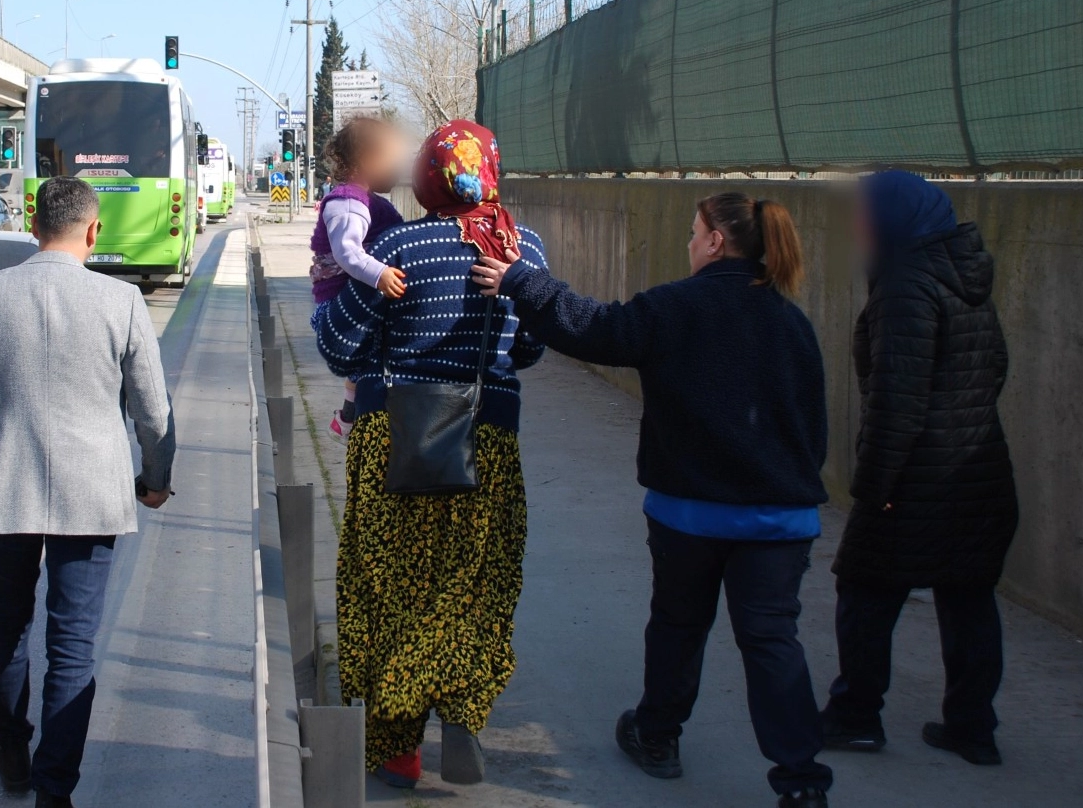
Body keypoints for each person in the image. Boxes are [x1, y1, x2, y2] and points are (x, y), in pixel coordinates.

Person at [474, 192, 833, 808]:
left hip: (690, 513)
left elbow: (596, 328)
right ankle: (801, 782)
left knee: (678, 623)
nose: (689, 243)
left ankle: (658, 735)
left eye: (695, 233)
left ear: (716, 240)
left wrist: (520, 282)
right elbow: (814, 429)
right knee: (773, 640)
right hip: (780, 519)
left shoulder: (678, 307)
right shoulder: (791, 322)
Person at [0, 177, 176, 808]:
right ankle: (56, 790)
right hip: (93, 497)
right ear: (92, 230)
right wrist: (155, 481)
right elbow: (154, 413)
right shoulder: (123, 301)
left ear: (33, 227)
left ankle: (12, 753)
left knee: (6, 628)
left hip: (7, 495)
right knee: (72, 647)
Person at [313, 120, 548, 789]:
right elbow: (528, 350)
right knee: (474, 584)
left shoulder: (397, 246)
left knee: (390, 587)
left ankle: (398, 749)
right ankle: (464, 711)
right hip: (489, 439)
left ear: (428, 176)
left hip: (398, 438)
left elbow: (338, 347)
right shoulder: (523, 246)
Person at [821, 171, 1017, 766]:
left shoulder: (907, 284)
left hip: (915, 483)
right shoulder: (965, 274)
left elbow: (896, 403)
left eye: (864, 213)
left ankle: (856, 715)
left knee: (864, 592)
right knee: (969, 601)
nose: (856, 224)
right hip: (980, 478)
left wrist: (873, 487)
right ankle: (973, 728)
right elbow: (995, 368)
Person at [309, 117, 408, 440]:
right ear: (367, 160)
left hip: (349, 301)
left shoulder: (364, 199)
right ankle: (351, 414)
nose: (398, 168)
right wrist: (379, 274)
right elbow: (348, 252)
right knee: (366, 360)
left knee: (365, 364)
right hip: (340, 303)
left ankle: (349, 413)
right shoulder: (349, 202)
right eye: (392, 160)